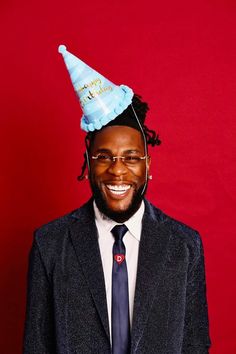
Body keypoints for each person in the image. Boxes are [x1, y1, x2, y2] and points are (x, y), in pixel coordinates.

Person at [23, 45, 211, 353]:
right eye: (104, 157)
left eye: (131, 157)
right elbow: (36, 345)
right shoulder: (51, 243)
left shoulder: (184, 245)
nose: (118, 171)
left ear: (147, 165)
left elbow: (195, 343)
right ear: (88, 163)